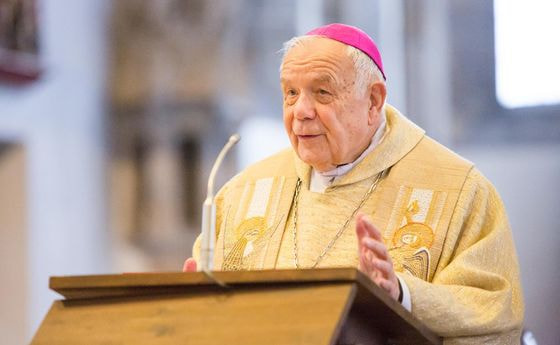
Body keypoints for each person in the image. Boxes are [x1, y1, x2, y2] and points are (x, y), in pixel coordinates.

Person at [183, 23, 523, 344]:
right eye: (290, 92)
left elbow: (494, 309)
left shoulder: (459, 189)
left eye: (322, 92)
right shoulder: (243, 192)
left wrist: (400, 294)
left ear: (373, 101)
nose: (300, 110)